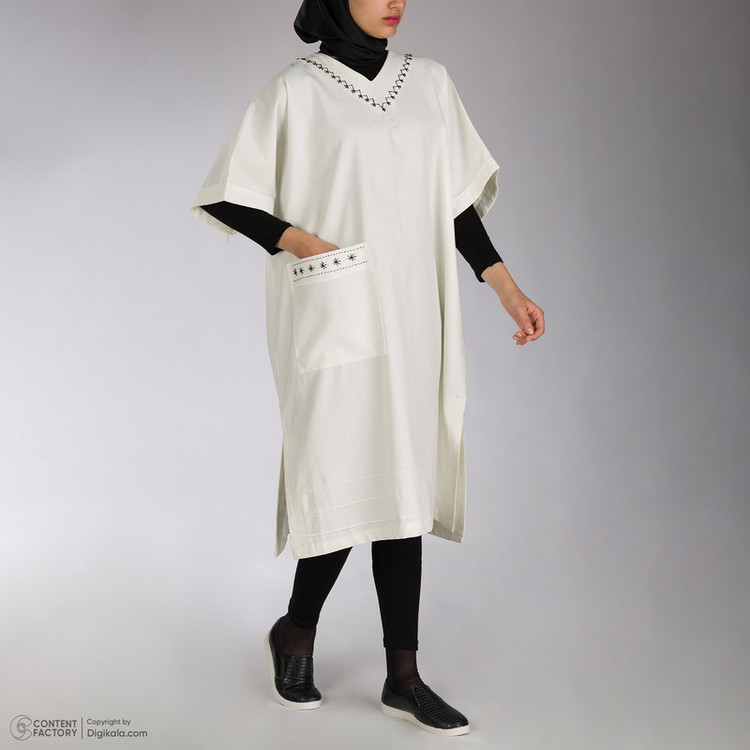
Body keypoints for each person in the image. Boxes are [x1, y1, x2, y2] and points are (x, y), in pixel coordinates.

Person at [191, 0, 544, 737]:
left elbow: (455, 206)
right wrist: (303, 242)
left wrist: (505, 288)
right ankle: (296, 631)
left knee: (404, 481)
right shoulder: (294, 92)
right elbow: (230, 194)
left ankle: (402, 676)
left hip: (414, 311)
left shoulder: (431, 82)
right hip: (336, 308)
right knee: (344, 470)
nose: (395, 2)